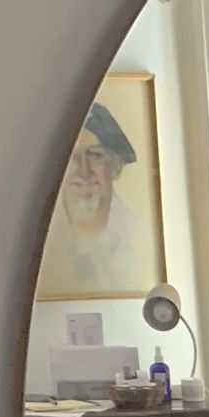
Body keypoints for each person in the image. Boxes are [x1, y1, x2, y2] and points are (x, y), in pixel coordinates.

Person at [41, 101, 151, 293]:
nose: (83, 172)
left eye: (95, 155)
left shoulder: (139, 235)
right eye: (71, 157)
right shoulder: (40, 237)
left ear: (116, 167)